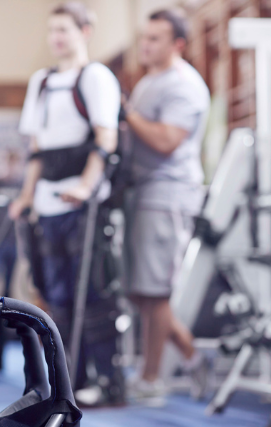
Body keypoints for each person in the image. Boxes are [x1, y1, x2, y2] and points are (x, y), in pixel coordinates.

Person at [9, 2, 124, 406]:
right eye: (52, 30)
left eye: (65, 29)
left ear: (84, 31)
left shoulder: (96, 78)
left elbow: (105, 139)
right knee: (55, 294)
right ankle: (68, 380)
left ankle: (107, 381)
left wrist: (87, 186)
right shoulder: (41, 82)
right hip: (48, 204)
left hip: (83, 203)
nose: (57, 38)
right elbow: (37, 149)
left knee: (90, 294)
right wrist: (25, 197)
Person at [124, 8, 210, 405]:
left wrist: (126, 113)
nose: (146, 44)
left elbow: (165, 140)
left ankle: (151, 380)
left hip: (168, 193)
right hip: (143, 193)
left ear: (177, 44)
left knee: (155, 292)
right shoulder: (150, 81)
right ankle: (193, 358)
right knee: (141, 293)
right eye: (145, 37)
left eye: (156, 38)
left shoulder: (184, 85)